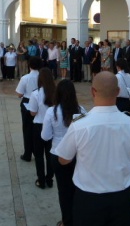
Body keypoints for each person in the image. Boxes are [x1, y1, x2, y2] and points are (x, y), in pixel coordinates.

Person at [55, 72, 130, 226]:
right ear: (118, 92)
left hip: (89, 199)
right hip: (122, 199)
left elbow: (63, 159)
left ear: (92, 91)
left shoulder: (79, 124)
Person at [41, 80, 86, 226]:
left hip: (58, 154)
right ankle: (79, 218)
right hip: (77, 155)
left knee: (64, 190)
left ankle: (67, 221)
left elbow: (45, 136)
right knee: (78, 188)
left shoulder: (52, 112)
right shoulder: (81, 111)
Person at [29, 68, 56, 189]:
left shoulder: (36, 93)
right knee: (50, 154)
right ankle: (49, 179)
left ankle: (41, 180)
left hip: (39, 126)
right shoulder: (56, 92)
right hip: (52, 126)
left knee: (39, 155)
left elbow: (33, 113)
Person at [16, 56, 42, 162]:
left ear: (29, 65)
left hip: (27, 102)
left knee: (27, 129)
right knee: (38, 128)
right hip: (41, 102)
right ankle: (38, 153)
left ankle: (27, 154)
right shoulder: (43, 77)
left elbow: (19, 93)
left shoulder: (25, 78)